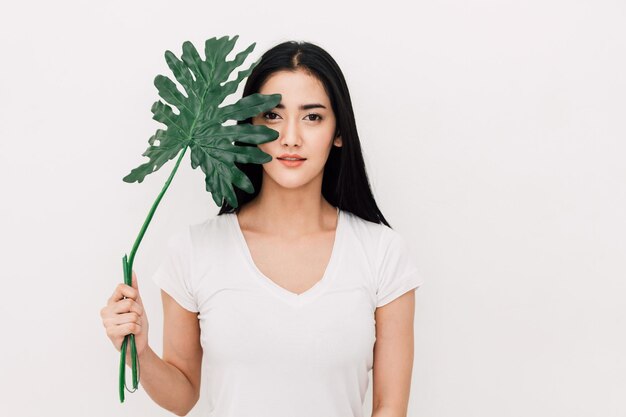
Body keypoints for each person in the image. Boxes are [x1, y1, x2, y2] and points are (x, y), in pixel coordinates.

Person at [100, 40, 424, 417]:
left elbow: (389, 406)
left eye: (312, 117)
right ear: (250, 127)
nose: (290, 137)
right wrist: (139, 350)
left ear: (339, 132)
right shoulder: (194, 250)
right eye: (272, 116)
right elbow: (183, 395)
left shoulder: (382, 252)